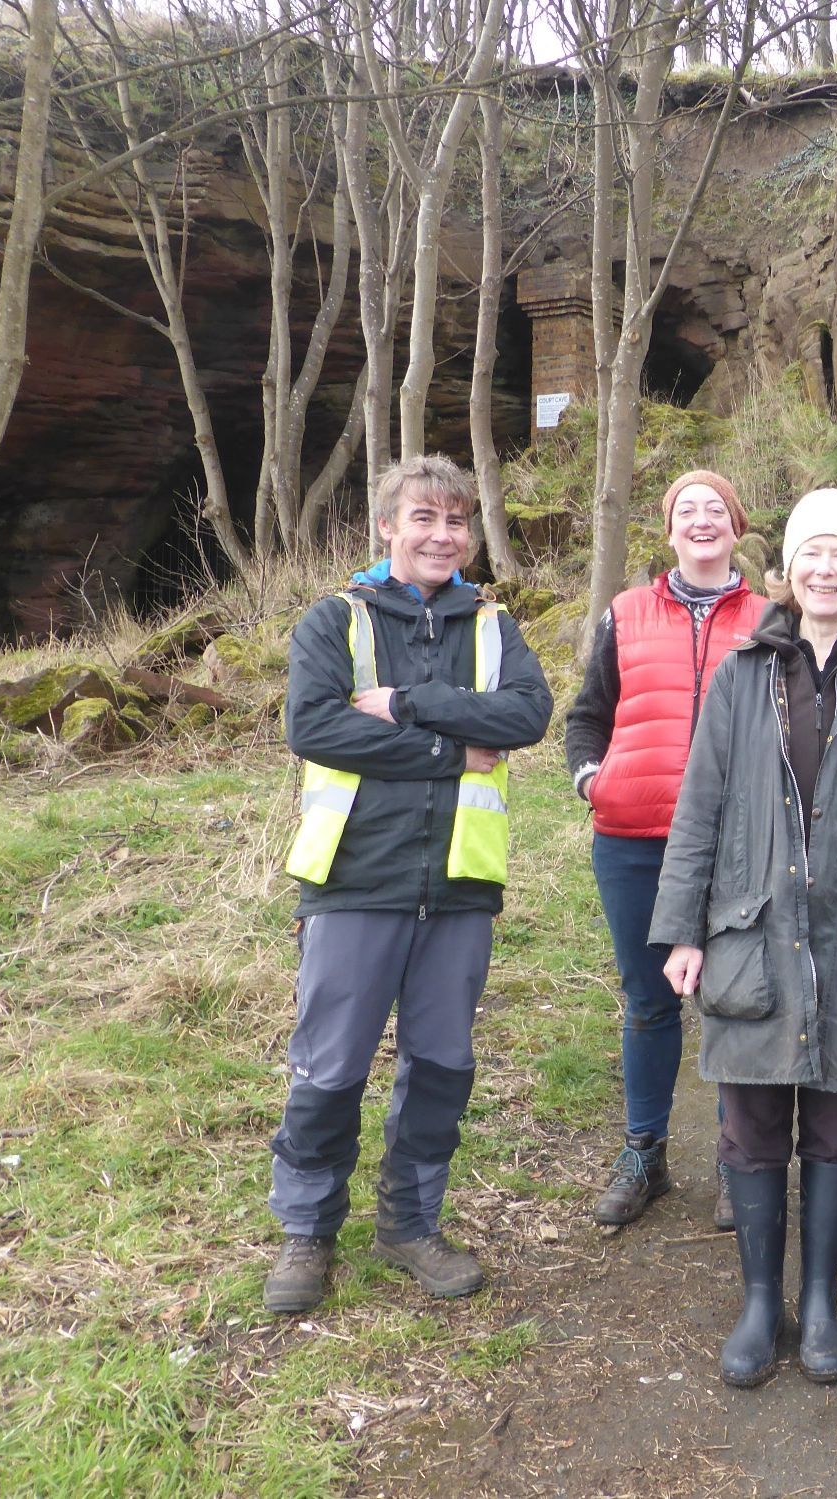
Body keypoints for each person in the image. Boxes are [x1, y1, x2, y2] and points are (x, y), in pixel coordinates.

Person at [650, 488, 837, 1388]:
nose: (826, 570)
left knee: (835, 1123)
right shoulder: (742, 671)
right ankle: (758, 1301)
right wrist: (680, 930)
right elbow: (697, 809)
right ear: (790, 567)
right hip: (750, 931)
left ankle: (819, 1299)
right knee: (749, 1125)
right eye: (813, 554)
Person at [263, 455, 554, 1315]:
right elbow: (316, 727)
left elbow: (527, 715)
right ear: (387, 526)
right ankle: (307, 1231)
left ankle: (410, 1222)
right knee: (329, 1068)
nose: (441, 534)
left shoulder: (495, 627)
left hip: (459, 886)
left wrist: (409, 703)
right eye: (423, 518)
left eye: (456, 520)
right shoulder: (333, 620)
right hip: (355, 880)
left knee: (441, 1066)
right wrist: (451, 748)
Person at [564, 471, 766, 1232]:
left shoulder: (770, 617)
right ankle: (644, 1151)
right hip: (632, 839)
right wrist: (594, 780)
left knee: (730, 1003)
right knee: (650, 1004)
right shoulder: (626, 612)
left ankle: (733, 1155)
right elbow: (588, 714)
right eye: (688, 510)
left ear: (737, 526)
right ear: (670, 530)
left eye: (717, 507)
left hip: (737, 847)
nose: (702, 519)